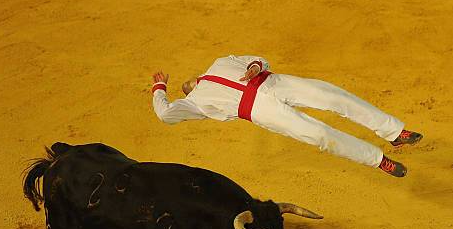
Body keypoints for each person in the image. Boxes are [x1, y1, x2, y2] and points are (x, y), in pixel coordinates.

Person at [151, 55, 422, 177]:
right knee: (319, 134)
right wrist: (159, 88)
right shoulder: (195, 102)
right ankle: (378, 160)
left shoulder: (220, 63)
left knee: (333, 96)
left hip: (274, 83)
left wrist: (256, 66)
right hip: (260, 110)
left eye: (187, 83)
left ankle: (395, 132)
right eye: (183, 89)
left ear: (197, 76)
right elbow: (165, 115)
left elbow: (258, 59)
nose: (186, 86)